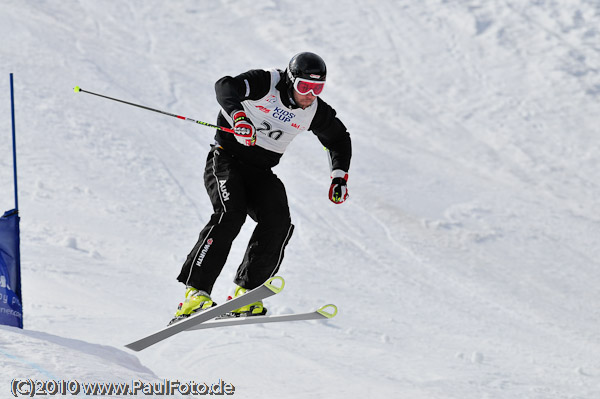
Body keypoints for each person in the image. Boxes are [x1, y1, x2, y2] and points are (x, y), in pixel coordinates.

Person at [171, 52, 352, 323]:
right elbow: (225, 86)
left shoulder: (314, 110)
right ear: (291, 81)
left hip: (261, 172)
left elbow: (338, 138)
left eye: (317, 88)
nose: (309, 95)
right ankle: (195, 294)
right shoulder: (266, 82)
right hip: (226, 159)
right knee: (231, 214)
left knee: (279, 221)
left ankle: (246, 291)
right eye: (304, 86)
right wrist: (239, 117)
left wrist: (339, 176)